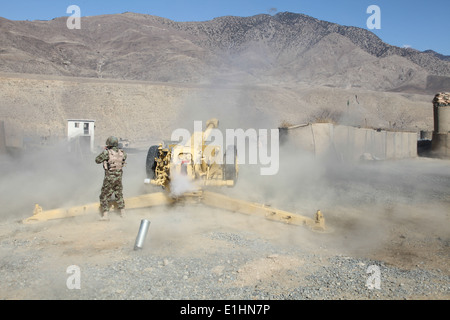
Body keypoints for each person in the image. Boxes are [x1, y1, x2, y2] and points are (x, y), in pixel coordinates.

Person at [95, 136, 127, 220]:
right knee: (119, 195)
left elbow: (97, 160)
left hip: (109, 178)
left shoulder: (107, 153)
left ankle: (105, 215)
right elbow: (124, 159)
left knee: (104, 196)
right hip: (119, 178)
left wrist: (105, 151)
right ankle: (123, 213)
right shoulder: (122, 153)